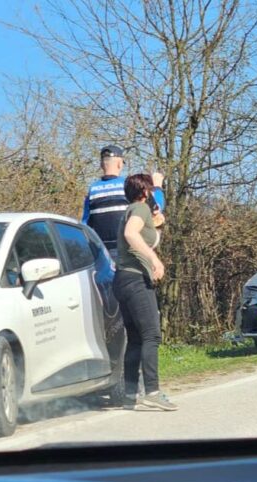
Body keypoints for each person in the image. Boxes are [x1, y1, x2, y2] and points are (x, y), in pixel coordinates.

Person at [113, 173, 178, 411]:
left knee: (136, 339)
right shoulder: (139, 209)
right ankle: (152, 392)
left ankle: (131, 394)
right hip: (136, 280)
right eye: (150, 190)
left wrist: (157, 221)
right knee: (152, 335)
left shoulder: (135, 210)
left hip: (123, 280)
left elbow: (147, 232)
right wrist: (155, 260)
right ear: (144, 192)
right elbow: (131, 234)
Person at [82, 145, 165, 256]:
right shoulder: (128, 185)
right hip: (127, 250)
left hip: (101, 253)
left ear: (101, 165)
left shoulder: (92, 190)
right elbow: (156, 208)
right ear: (119, 164)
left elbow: (85, 224)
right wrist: (157, 187)